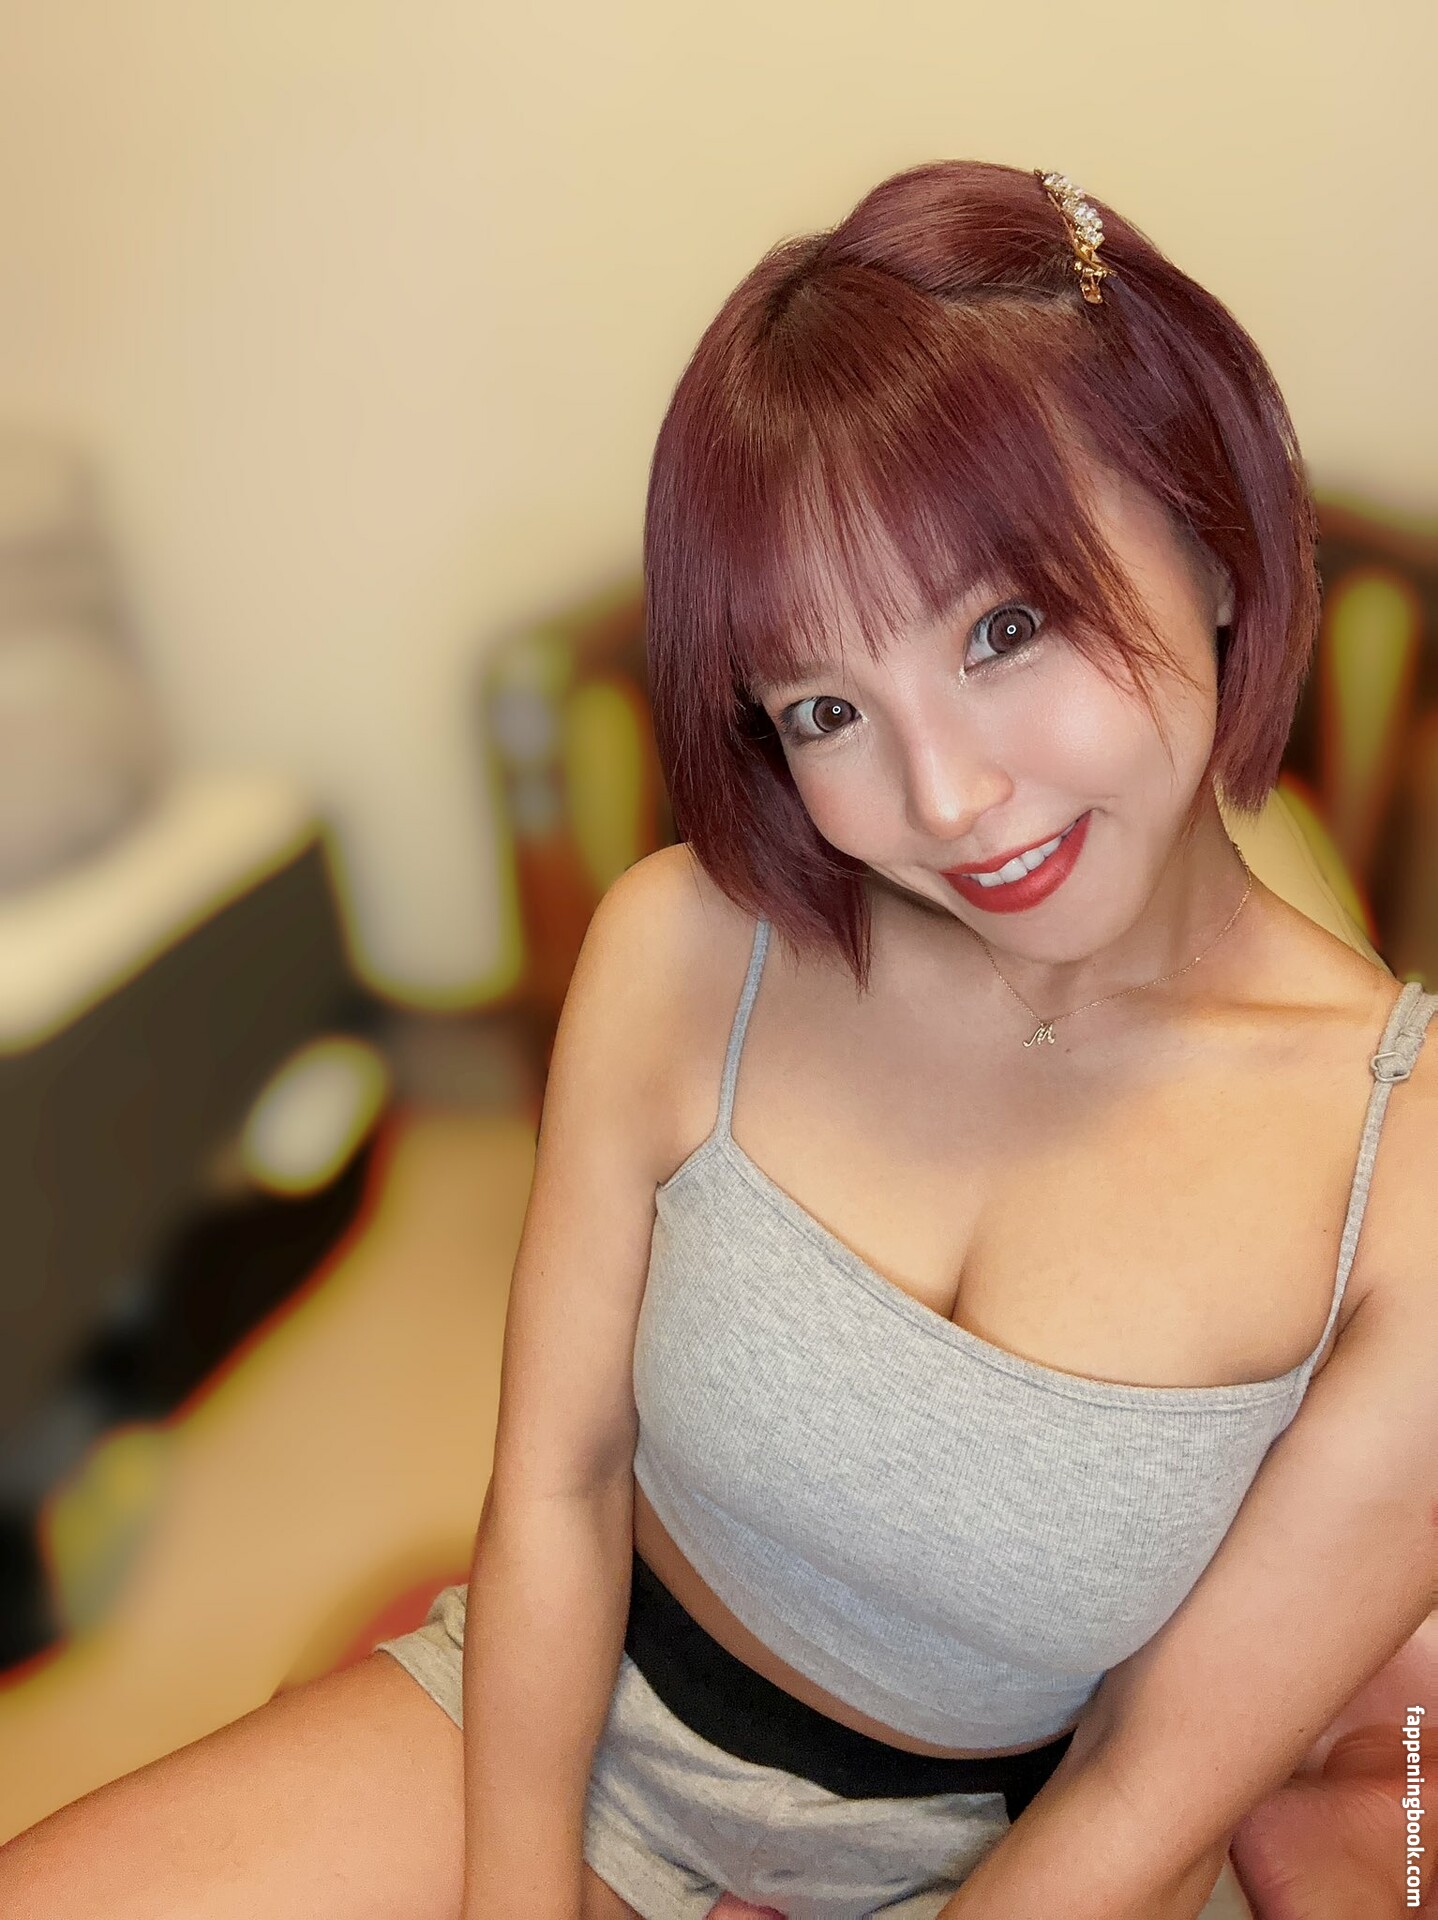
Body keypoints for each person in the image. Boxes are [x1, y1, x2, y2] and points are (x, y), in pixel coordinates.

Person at [2, 158, 1434, 1920]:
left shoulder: (1402, 1166)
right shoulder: (686, 951)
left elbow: (1145, 1789)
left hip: (1019, 1859)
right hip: (587, 1725)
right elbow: (560, 1481)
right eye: (826, 707)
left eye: (1005, 629)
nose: (944, 798)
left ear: (1210, 539)